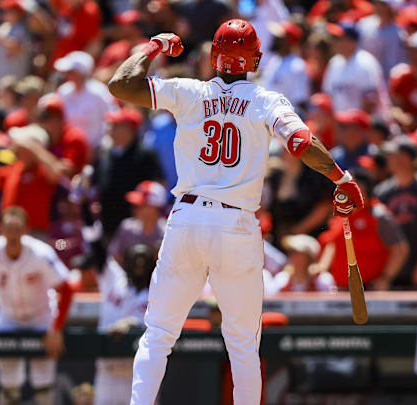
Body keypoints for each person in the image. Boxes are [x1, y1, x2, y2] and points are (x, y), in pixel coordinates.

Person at [107, 19, 364, 404]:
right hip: (236, 223)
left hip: (187, 218)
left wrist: (154, 46)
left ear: (214, 56)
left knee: (158, 334)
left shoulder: (189, 91)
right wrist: (340, 178)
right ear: (255, 59)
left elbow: (121, 84)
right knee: (242, 344)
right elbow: (301, 142)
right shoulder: (266, 100)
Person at [0, 207, 74, 405]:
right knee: (9, 385)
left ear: (26, 230)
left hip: (41, 319)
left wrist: (56, 329)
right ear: (0, 230)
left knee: (44, 385)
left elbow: (66, 288)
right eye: (8, 229)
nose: (13, 235)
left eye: (17, 229)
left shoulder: (40, 253)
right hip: (8, 319)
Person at [318, 169, 409, 290]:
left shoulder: (378, 215)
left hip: (369, 290)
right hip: (340, 288)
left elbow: (400, 250)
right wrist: (322, 266)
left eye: (351, 186)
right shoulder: (343, 213)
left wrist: (385, 278)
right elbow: (334, 243)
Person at [374, 137, 417, 287]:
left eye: (392, 154)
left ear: (405, 157)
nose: (388, 159)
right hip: (395, 273)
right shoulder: (382, 192)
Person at [95, 244, 156, 405]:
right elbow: (96, 246)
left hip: (140, 376)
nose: (139, 265)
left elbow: (160, 327)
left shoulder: (159, 291)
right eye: (135, 260)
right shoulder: (113, 279)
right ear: (125, 262)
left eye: (144, 261)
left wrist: (131, 323)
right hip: (108, 373)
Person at [93, 108, 164, 238]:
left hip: (136, 230)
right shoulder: (106, 153)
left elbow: (157, 187)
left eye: (115, 126)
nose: (110, 129)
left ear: (129, 129)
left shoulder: (144, 154)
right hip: (108, 225)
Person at [321, 24, 391, 118]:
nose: (333, 42)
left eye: (338, 39)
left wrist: (357, 127)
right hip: (343, 126)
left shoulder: (365, 62)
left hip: (366, 125)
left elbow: (370, 102)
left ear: (351, 42)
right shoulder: (334, 63)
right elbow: (327, 96)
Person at [55, 51, 119, 149]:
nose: (67, 75)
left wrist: (100, 145)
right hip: (69, 147)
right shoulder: (63, 91)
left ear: (80, 73)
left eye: (71, 72)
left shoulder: (99, 92)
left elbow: (112, 117)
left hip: (96, 149)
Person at [108, 180, 167, 268]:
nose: (135, 209)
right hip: (129, 280)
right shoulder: (127, 227)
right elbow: (114, 257)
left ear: (154, 207)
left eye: (141, 205)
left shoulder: (167, 232)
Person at [259, 21, 309, 112]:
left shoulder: (297, 65)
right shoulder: (274, 61)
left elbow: (300, 101)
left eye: (278, 38)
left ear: (288, 41)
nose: (274, 39)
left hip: (286, 119)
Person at [357, 0, 408, 79]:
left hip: (389, 80)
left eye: (384, 5)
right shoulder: (363, 25)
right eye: (378, 4)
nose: (380, 8)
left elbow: (401, 63)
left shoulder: (400, 34)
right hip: (365, 78)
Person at [267, 234, 334, 292]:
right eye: (290, 251)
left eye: (295, 252)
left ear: (308, 256)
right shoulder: (282, 279)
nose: (291, 255)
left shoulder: (322, 280)